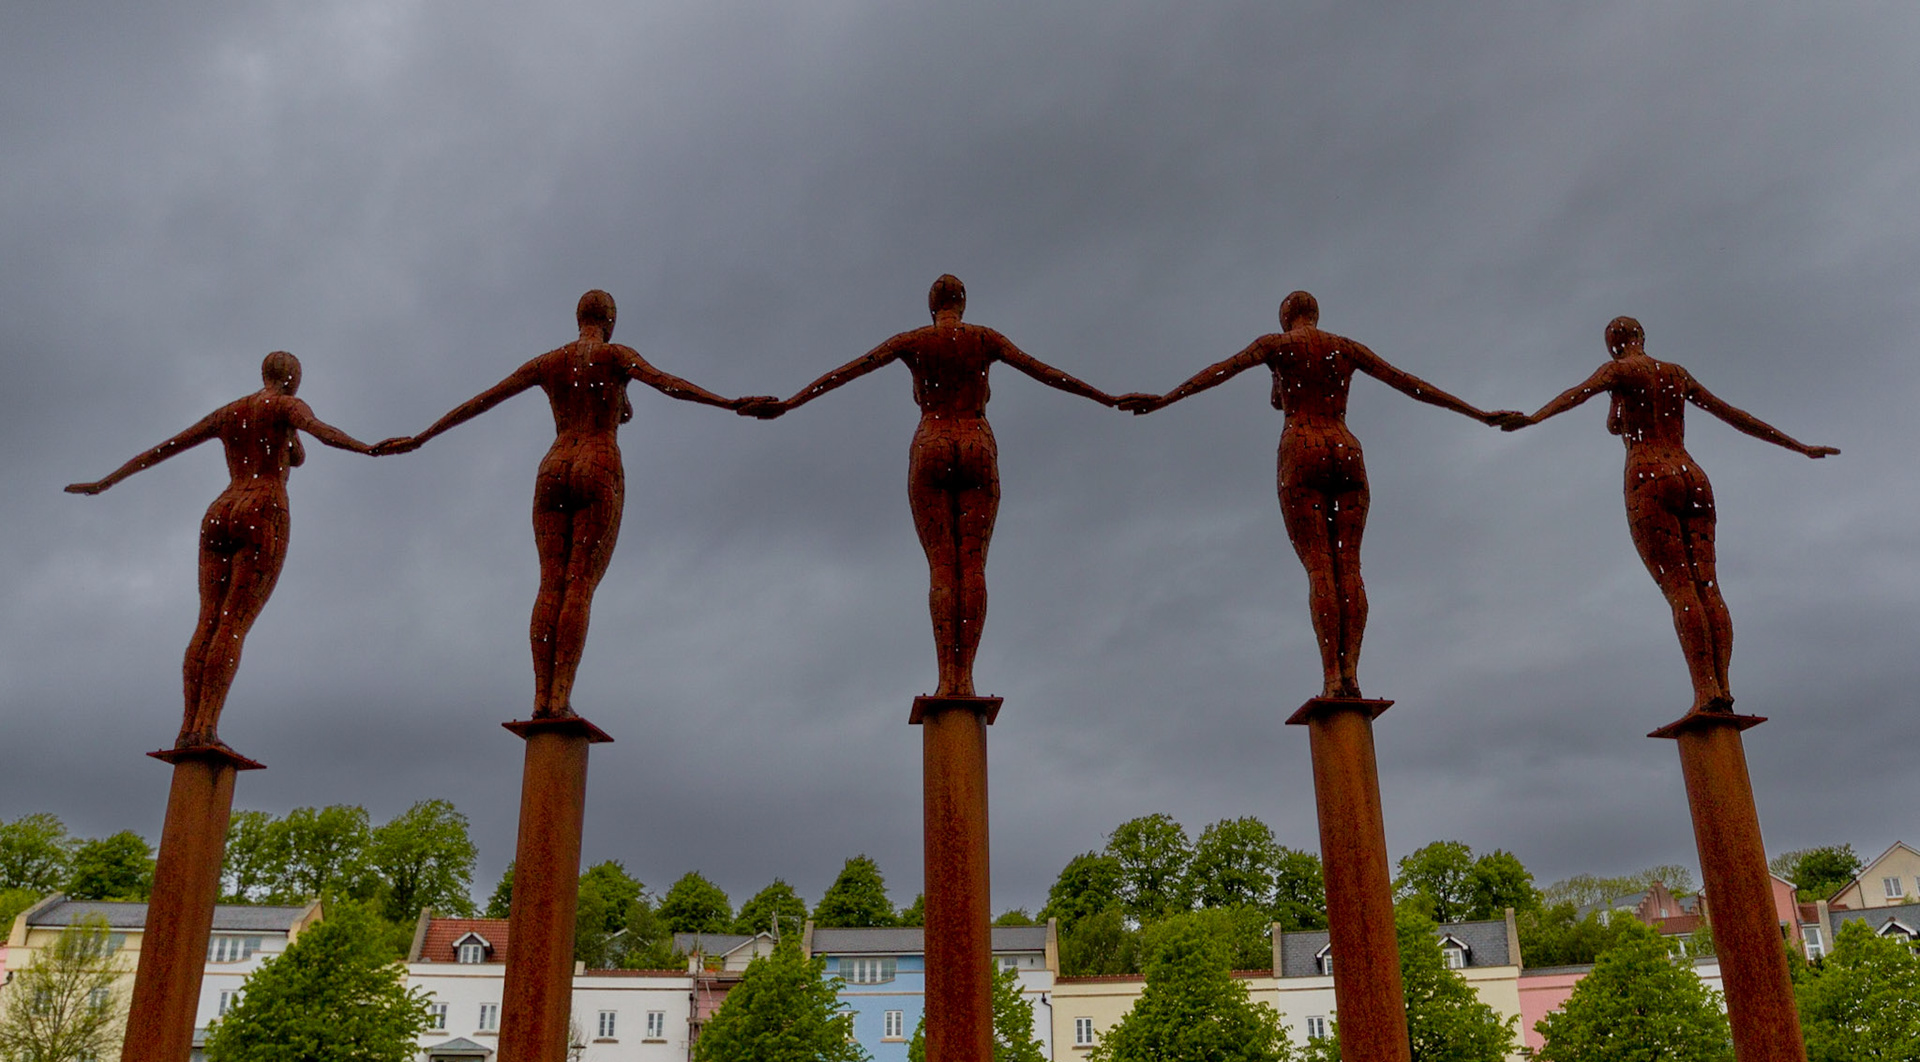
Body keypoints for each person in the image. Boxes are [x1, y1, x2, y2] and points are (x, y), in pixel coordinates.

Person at [374, 290, 768, 719]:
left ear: (578, 316)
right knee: (578, 585)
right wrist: (731, 404)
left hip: (555, 465)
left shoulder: (550, 362)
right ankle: (559, 698)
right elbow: (668, 383)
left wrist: (422, 436)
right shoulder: (617, 355)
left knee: (549, 584)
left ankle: (541, 697)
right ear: (611, 320)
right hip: (598, 462)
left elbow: (483, 399)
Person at [751, 274, 1139, 697]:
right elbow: (1048, 373)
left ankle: (947, 679)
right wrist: (1109, 398)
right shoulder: (985, 338)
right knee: (971, 567)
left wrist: (790, 403)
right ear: (963, 303)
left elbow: (846, 372)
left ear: (931, 305)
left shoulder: (913, 341)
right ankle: (965, 678)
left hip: (933, 440)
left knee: (942, 568)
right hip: (976, 442)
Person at [1124, 290, 1519, 699]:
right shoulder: (1345, 348)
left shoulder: (1275, 345)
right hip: (1346, 448)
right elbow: (1411, 384)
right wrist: (1480, 414)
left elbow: (1221, 371)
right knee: (1349, 566)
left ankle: (1332, 676)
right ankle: (1351, 673)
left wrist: (1165, 398)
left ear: (1285, 318)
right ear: (1314, 314)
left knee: (1320, 570)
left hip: (1301, 447)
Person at [1504, 316, 1837, 713]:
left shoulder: (1619, 371)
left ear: (1612, 345)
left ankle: (1707, 690)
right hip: (1692, 475)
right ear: (1642, 337)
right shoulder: (1675, 374)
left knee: (1681, 589)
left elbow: (1577, 393)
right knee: (1708, 587)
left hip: (1648, 475)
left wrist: (1533, 418)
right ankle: (1723, 687)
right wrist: (1800, 447)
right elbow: (1733, 414)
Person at [67, 351, 376, 749]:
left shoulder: (230, 413)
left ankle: (188, 728)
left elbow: (164, 448)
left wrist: (105, 482)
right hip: (264, 507)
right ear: (293, 378)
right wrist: (368, 448)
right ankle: (206, 726)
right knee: (232, 624)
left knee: (209, 619)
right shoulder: (285, 405)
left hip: (221, 509)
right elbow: (321, 430)